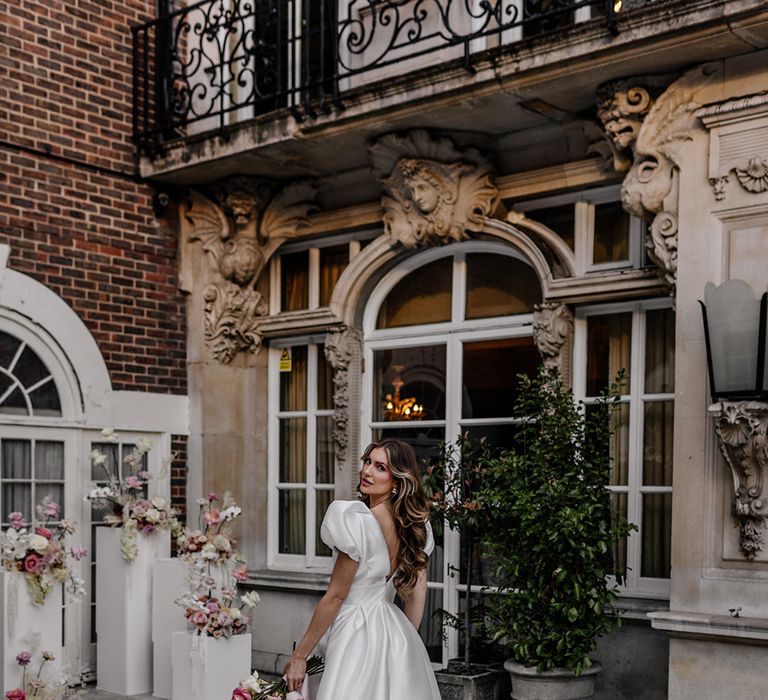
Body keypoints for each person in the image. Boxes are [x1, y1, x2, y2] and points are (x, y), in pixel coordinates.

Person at [283, 438, 441, 699]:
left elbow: (336, 596)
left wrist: (300, 656)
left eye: (380, 467)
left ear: (398, 481)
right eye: (368, 461)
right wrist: (406, 644)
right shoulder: (416, 528)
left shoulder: (356, 523)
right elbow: (416, 594)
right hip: (395, 629)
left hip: (354, 630)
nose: (367, 471)